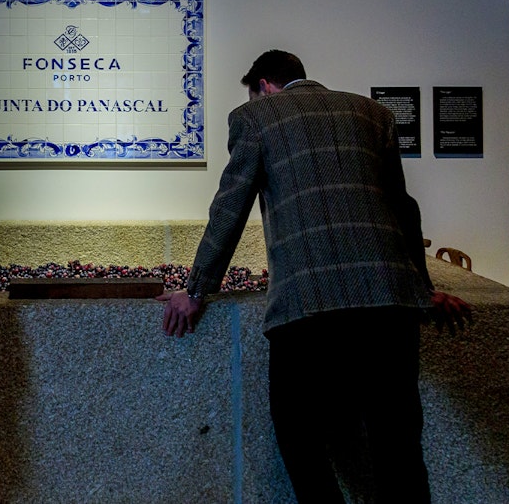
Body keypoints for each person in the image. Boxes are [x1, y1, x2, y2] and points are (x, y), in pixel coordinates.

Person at [157, 50, 472, 503]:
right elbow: (404, 209)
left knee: (298, 438)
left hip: (309, 305)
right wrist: (423, 290)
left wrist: (196, 290)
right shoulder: (373, 113)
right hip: (390, 302)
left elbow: (230, 207)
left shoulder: (255, 117)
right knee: (398, 445)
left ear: (264, 84)